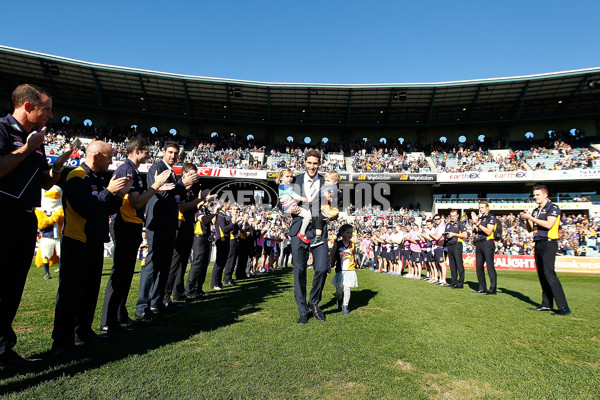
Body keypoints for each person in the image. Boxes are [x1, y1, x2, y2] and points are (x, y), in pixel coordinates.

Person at [0, 84, 71, 366]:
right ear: (28, 107)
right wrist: (27, 149)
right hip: (3, 213)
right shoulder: (4, 130)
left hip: (26, 216)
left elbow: (44, 182)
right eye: (47, 110)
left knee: (13, 286)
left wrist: (58, 166)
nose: (50, 116)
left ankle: (4, 351)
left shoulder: (36, 138)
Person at [52, 141, 131, 355]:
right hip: (77, 240)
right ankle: (62, 341)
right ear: (97, 156)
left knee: (89, 291)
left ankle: (83, 331)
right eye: (109, 156)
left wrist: (118, 194)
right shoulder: (76, 177)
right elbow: (85, 208)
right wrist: (108, 192)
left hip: (95, 241)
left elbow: (106, 209)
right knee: (70, 292)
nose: (112, 160)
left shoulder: (97, 178)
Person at [100, 138, 174, 333]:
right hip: (124, 224)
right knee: (119, 274)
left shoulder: (133, 170)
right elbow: (136, 203)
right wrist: (155, 187)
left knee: (125, 274)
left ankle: (120, 315)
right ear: (137, 151)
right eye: (147, 151)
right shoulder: (127, 170)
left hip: (131, 224)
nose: (149, 154)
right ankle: (109, 321)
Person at [135, 141, 198, 319]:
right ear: (164, 152)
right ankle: (142, 306)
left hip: (170, 225)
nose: (173, 156)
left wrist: (181, 186)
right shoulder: (157, 168)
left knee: (164, 265)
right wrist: (182, 184)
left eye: (175, 153)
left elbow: (172, 193)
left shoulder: (170, 172)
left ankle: (157, 302)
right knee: (152, 264)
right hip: (158, 224)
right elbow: (162, 193)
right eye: (170, 152)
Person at [286, 149, 335, 324]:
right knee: (299, 271)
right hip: (299, 230)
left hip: (319, 231)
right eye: (309, 163)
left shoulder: (326, 181)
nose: (312, 166)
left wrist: (334, 214)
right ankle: (302, 311)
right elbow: (281, 197)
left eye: (315, 163)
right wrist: (286, 209)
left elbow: (335, 203)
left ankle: (314, 302)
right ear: (304, 163)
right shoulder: (295, 180)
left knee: (321, 268)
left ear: (319, 164)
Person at [520, 185, 571, 315]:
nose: (535, 197)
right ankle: (546, 304)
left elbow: (549, 224)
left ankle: (563, 307)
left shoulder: (553, 208)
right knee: (542, 275)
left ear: (545, 195)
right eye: (534, 195)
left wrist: (530, 218)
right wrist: (527, 219)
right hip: (538, 243)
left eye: (537, 195)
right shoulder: (536, 210)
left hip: (549, 243)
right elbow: (531, 229)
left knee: (549, 274)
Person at [164, 163, 204, 304]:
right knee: (175, 262)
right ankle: (165, 296)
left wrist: (200, 202)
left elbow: (190, 209)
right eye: (192, 174)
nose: (195, 176)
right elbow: (181, 207)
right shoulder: (178, 186)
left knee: (183, 261)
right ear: (184, 174)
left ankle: (178, 293)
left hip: (188, 225)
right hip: (179, 226)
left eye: (196, 174)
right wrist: (199, 200)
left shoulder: (191, 189)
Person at [328, 224, 359, 316]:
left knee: (347, 287)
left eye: (351, 233)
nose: (350, 235)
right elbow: (331, 255)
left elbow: (354, 255)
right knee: (339, 290)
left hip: (350, 269)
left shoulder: (353, 245)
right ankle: (339, 300)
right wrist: (329, 265)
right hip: (340, 270)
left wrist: (356, 263)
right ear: (342, 233)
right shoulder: (337, 244)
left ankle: (345, 306)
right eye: (347, 233)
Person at [34, 185, 64, 280]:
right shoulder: (40, 210)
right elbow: (41, 224)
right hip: (47, 236)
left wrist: (61, 216)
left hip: (59, 236)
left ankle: (62, 271)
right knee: (46, 254)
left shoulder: (60, 209)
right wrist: (54, 218)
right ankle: (47, 273)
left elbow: (64, 221)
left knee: (62, 254)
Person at [277, 168, 312, 243]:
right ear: (281, 178)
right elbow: (296, 197)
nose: (290, 178)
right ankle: (302, 233)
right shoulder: (285, 186)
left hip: (290, 205)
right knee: (308, 215)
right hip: (289, 207)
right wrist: (307, 199)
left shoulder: (283, 186)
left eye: (291, 176)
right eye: (287, 176)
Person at [471, 201, 498, 295]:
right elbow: (474, 231)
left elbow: (488, 231)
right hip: (479, 243)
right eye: (479, 207)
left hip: (487, 242)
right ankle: (482, 287)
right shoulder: (480, 218)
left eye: (482, 207)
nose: (480, 209)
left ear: (487, 208)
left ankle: (493, 289)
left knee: (490, 266)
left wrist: (478, 224)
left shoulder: (491, 217)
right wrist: (474, 222)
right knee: (479, 266)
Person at [444, 210, 467, 289]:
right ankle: (453, 282)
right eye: (451, 215)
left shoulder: (460, 224)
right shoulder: (448, 224)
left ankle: (460, 283)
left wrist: (454, 234)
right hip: (449, 245)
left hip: (457, 244)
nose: (453, 217)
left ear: (457, 215)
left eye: (454, 215)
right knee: (452, 264)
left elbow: (465, 235)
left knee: (459, 264)